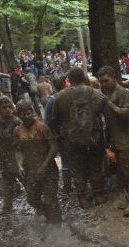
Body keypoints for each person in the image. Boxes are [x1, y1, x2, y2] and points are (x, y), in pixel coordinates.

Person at [51, 67, 108, 209]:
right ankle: (99, 195)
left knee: (77, 169)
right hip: (94, 138)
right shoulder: (97, 94)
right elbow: (106, 116)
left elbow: (55, 119)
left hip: (71, 140)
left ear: (68, 80)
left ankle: (83, 198)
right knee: (96, 165)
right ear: (84, 77)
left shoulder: (60, 97)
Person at [97, 66, 129, 216]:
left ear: (114, 78)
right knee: (122, 172)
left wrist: (108, 104)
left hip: (127, 139)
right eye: (101, 82)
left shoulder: (123, 92)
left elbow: (127, 114)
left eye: (106, 81)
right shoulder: (107, 93)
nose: (103, 84)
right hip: (116, 139)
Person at [14, 100, 61, 224]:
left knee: (51, 200)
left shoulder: (42, 127)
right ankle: (45, 214)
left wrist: (44, 166)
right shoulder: (18, 130)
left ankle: (57, 228)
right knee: (31, 198)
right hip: (30, 169)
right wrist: (19, 165)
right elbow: (18, 150)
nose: (27, 116)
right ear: (18, 115)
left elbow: (54, 147)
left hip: (48, 168)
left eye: (29, 113)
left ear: (33, 112)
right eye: (23, 114)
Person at [0, 96, 22, 213]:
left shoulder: (17, 122)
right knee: (7, 184)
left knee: (26, 182)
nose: (8, 109)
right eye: (4, 107)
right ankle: (7, 207)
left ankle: (37, 204)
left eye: (9, 107)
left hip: (17, 158)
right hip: (4, 158)